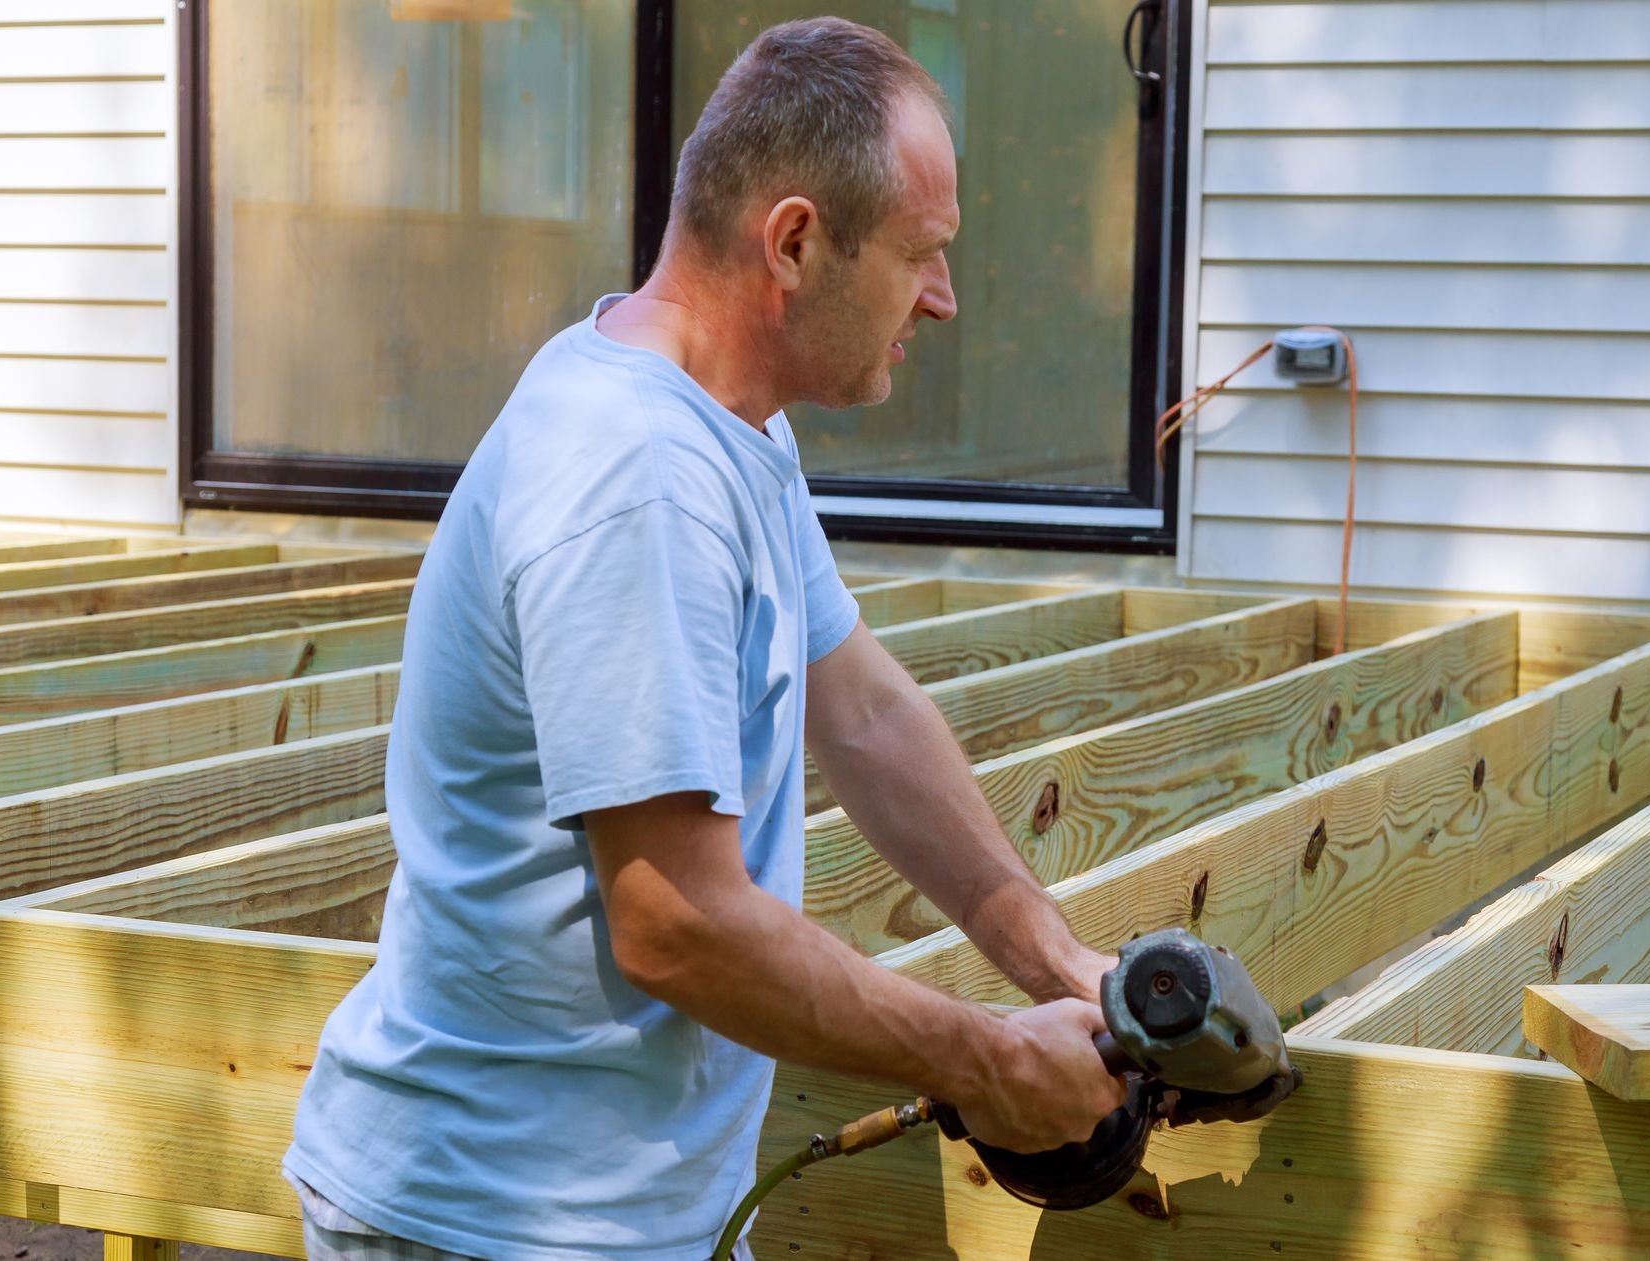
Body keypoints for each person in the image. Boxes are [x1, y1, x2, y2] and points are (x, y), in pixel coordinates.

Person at [284, 17, 1126, 1261]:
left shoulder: (732, 425)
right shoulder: (638, 475)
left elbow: (867, 715)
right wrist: (991, 1060)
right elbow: (675, 918)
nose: (944, 299)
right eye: (920, 255)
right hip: (497, 1219)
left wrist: (1061, 965)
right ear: (792, 242)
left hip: (616, 1211)